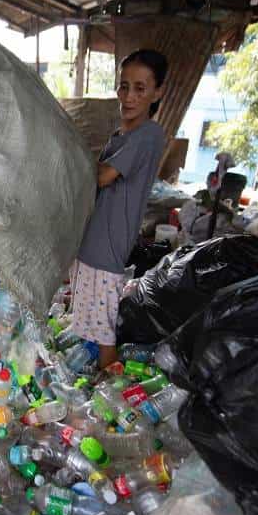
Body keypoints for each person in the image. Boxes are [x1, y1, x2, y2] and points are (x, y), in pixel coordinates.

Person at [70, 49, 168, 370]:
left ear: (157, 93)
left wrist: (66, 153)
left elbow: (102, 176)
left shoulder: (149, 135)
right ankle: (95, 375)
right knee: (87, 318)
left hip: (107, 246)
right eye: (124, 86)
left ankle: (110, 389)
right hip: (91, 241)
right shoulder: (118, 136)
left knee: (103, 331)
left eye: (140, 88)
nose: (128, 96)